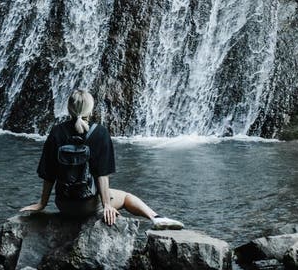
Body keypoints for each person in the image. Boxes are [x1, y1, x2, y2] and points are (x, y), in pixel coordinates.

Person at [19, 89, 184, 229]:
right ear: (90, 111)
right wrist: (107, 205)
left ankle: (155, 217)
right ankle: (156, 218)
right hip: (88, 205)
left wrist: (42, 203)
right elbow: (102, 174)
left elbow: (48, 173)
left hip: (64, 204)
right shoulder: (100, 133)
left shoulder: (56, 132)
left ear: (69, 109)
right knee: (126, 197)